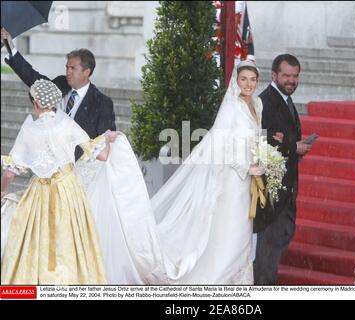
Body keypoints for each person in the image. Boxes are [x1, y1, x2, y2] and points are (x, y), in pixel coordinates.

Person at [77, 60, 265, 284]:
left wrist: (263, 158)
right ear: (236, 81)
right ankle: (218, 280)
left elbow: (256, 137)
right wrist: (246, 166)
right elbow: (220, 145)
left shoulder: (258, 105)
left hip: (249, 182)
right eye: (243, 79)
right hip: (233, 179)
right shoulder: (232, 107)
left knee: (243, 231)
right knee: (229, 231)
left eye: (252, 80)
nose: (248, 84)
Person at [0, 79, 119, 285]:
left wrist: (2, 193)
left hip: (39, 191)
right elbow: (100, 155)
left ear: (36, 103)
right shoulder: (67, 124)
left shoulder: (29, 129)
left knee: (37, 239)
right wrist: (107, 138)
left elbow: (10, 173)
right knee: (70, 238)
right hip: (68, 189)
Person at [0, 28, 116, 160]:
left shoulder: (102, 103)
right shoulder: (60, 83)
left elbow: (104, 145)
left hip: (78, 169)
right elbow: (33, 78)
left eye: (73, 68)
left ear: (87, 72)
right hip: (49, 160)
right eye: (67, 67)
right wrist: (10, 46)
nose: (68, 72)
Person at [253, 54, 312, 285]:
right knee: (267, 255)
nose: (291, 80)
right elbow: (261, 141)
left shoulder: (284, 99)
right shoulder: (265, 101)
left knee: (275, 247)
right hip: (270, 194)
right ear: (274, 75)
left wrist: (294, 146)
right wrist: (292, 147)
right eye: (286, 75)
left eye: (295, 76)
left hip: (285, 190)